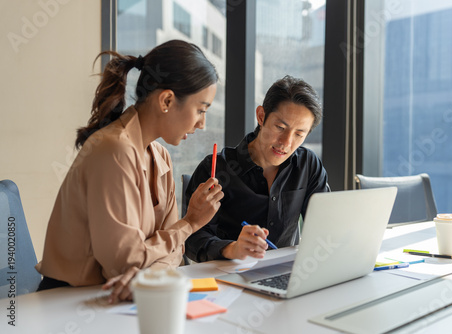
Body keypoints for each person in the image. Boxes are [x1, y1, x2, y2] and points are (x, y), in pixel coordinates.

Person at [35, 40, 224, 303]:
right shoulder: (113, 150)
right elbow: (122, 264)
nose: (202, 124)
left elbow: (174, 253)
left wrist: (146, 277)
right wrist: (190, 223)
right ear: (167, 100)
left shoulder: (161, 157)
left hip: (122, 300)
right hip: (69, 302)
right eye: (201, 110)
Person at [185, 75, 330, 263]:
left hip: (287, 274)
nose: (286, 142)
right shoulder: (217, 169)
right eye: (280, 127)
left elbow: (325, 225)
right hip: (229, 277)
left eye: (299, 134)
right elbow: (192, 239)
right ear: (261, 116)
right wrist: (232, 248)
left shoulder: (308, 165)